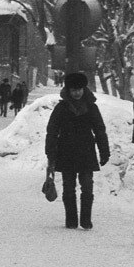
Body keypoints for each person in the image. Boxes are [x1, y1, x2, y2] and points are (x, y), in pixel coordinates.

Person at [45, 72, 109, 230]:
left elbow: (100, 130)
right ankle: (71, 220)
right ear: (68, 90)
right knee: (68, 187)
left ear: (84, 89)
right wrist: (50, 152)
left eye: (79, 89)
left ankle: (86, 220)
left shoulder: (91, 107)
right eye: (73, 90)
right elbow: (52, 130)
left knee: (87, 186)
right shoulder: (61, 108)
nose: (77, 93)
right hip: (66, 151)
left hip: (86, 151)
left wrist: (104, 150)